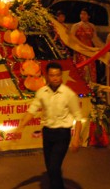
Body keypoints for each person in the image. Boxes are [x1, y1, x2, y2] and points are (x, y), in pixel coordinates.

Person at [16, 61, 83, 189]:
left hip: (62, 134)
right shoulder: (42, 92)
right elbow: (32, 110)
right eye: (52, 75)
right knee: (50, 168)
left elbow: (78, 117)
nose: (55, 78)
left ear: (61, 75)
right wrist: (21, 126)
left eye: (58, 75)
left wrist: (76, 138)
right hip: (47, 133)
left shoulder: (69, 94)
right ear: (47, 76)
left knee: (54, 167)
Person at [69, 8, 104, 83]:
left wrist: (102, 47)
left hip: (89, 51)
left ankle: (91, 86)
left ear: (89, 16)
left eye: (84, 14)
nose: (82, 16)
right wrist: (82, 47)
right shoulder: (76, 26)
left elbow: (95, 39)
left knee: (91, 69)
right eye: (81, 14)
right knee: (82, 69)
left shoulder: (92, 26)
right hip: (80, 51)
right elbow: (72, 38)